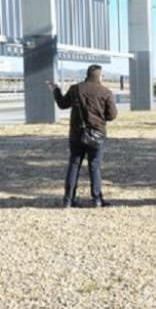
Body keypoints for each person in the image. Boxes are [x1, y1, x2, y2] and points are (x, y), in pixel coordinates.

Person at [48, 65, 118, 208]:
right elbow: (112, 115)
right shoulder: (105, 92)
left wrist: (55, 90)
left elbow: (62, 104)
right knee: (95, 166)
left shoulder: (75, 89)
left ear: (87, 74)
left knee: (74, 164)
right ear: (99, 76)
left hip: (76, 134)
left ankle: (68, 199)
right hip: (97, 134)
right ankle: (97, 199)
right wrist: (99, 116)